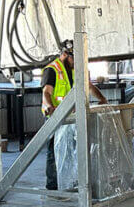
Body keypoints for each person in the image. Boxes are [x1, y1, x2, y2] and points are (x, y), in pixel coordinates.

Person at [41, 44, 107, 190]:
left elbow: (88, 85)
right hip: (56, 116)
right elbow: (46, 93)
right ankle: (53, 185)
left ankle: (71, 181)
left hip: (73, 116)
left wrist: (102, 98)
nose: (76, 62)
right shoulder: (52, 70)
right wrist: (48, 107)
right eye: (74, 59)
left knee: (71, 149)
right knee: (54, 151)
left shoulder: (76, 69)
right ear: (65, 55)